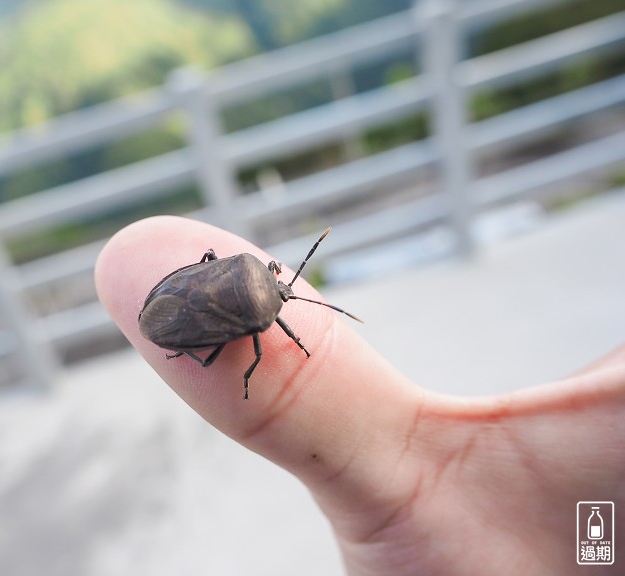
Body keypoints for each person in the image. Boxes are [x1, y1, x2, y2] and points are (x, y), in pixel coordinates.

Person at [95, 215, 624, 575]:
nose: (284, 288)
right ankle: (183, 353)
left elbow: (215, 274)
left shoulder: (247, 272)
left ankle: (177, 352)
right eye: (282, 282)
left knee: (212, 351)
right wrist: (256, 371)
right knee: (229, 359)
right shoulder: (262, 320)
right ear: (273, 283)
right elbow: (254, 355)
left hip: (172, 299)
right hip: (181, 314)